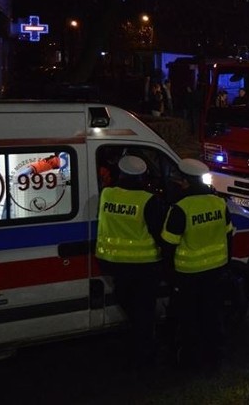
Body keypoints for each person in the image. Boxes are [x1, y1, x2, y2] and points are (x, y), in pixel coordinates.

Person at [161, 158, 234, 372]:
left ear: (184, 182)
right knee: (213, 316)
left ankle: (190, 363)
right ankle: (215, 358)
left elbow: (168, 245)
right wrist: (226, 265)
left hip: (188, 275)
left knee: (189, 319)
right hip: (216, 271)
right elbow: (229, 236)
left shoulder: (180, 209)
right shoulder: (219, 203)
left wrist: (169, 274)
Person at [95, 155, 166, 367]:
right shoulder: (148, 200)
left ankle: (136, 343)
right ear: (142, 177)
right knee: (144, 312)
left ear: (121, 173)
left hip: (113, 262)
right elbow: (158, 232)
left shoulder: (107, 194)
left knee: (128, 302)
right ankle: (144, 355)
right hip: (144, 265)